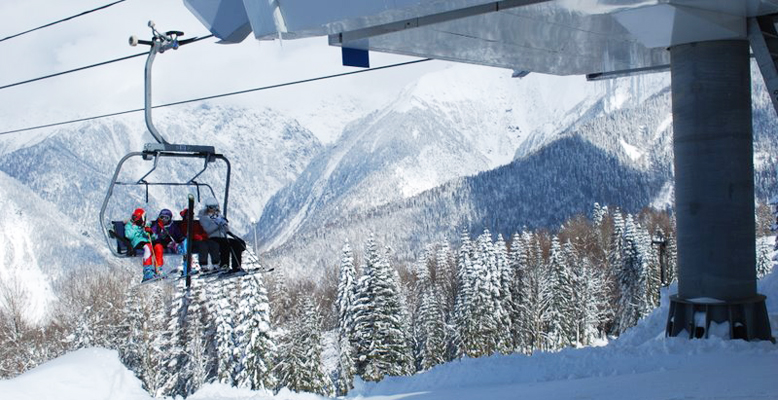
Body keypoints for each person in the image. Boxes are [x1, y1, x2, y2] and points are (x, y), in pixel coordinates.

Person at [198, 198, 245, 272]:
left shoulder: (218, 216)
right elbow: (208, 229)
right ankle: (224, 265)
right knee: (225, 244)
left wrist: (225, 225)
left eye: (215, 207)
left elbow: (225, 229)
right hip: (210, 238)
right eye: (211, 207)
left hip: (221, 237)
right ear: (207, 208)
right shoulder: (204, 217)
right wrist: (218, 224)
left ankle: (237, 266)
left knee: (236, 243)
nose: (213, 209)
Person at [125, 208, 164, 282]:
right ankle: (147, 271)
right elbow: (129, 235)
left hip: (147, 241)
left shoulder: (146, 225)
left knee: (159, 247)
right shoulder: (130, 225)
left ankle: (158, 270)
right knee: (148, 248)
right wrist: (137, 227)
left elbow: (154, 237)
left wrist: (150, 232)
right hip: (137, 242)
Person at [179, 208, 221, 273]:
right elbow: (186, 234)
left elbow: (203, 231)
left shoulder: (196, 223)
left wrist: (204, 236)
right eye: (188, 215)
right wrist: (197, 236)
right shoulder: (184, 224)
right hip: (191, 242)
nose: (190, 217)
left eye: (191, 215)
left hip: (201, 239)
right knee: (203, 246)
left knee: (213, 244)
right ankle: (203, 265)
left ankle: (216, 263)